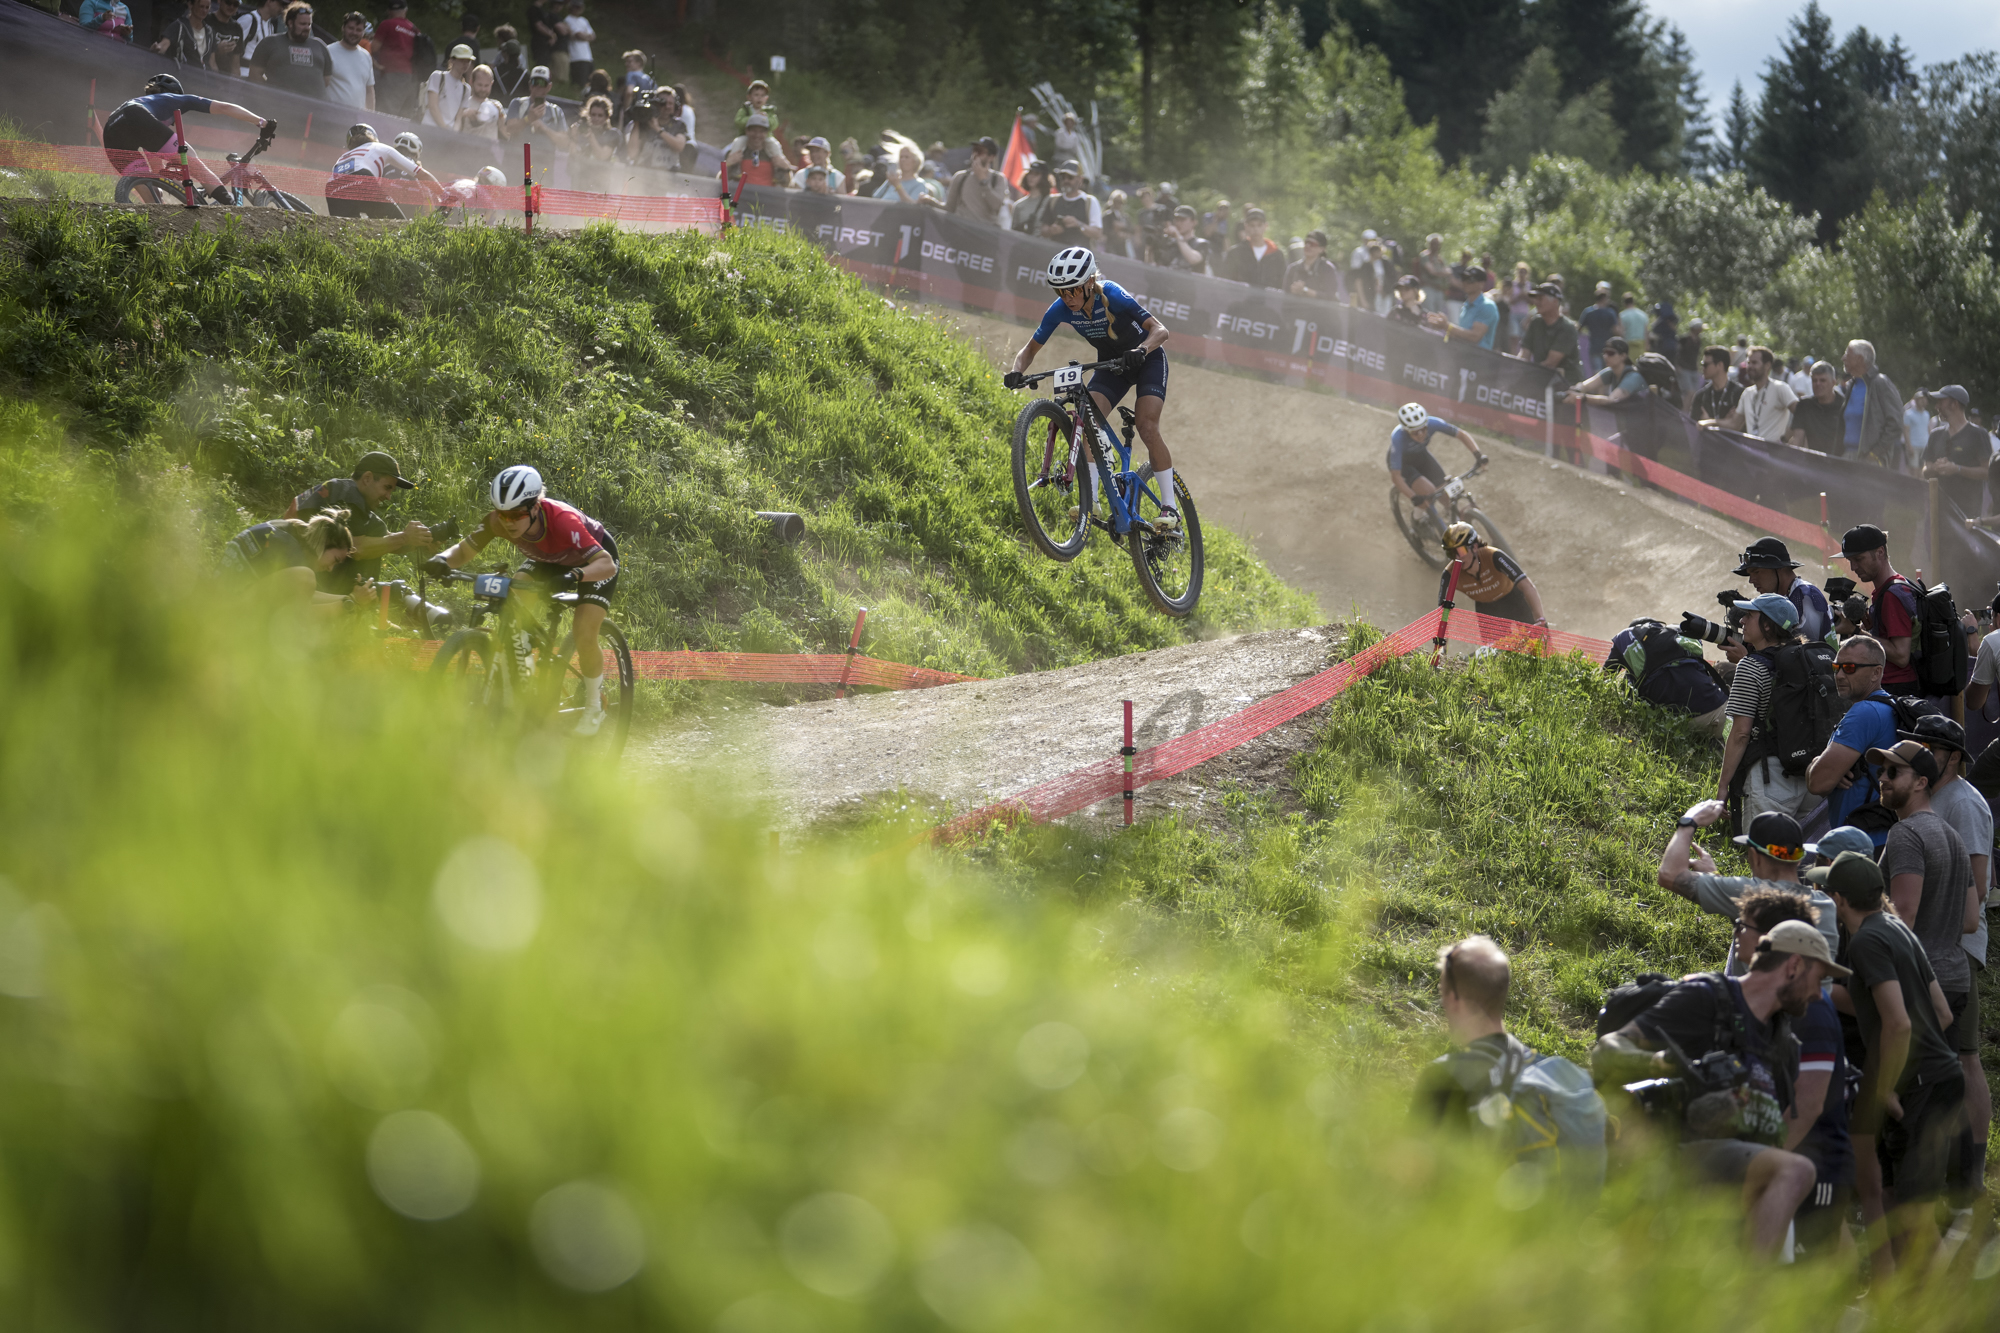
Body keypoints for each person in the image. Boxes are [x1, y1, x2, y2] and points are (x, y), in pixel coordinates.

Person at [1590, 924, 1828, 1260]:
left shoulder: (1784, 1044)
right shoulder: (1706, 998)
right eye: (1819, 979)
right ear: (1794, 966)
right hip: (1674, 1152)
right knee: (1796, 1170)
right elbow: (1608, 1049)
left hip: (1734, 1173)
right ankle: (1752, 1286)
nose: (1819, 993)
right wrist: (1656, 1062)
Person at [1807, 851, 1961, 1274]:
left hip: (1921, 1087)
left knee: (1915, 1217)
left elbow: (1898, 1024)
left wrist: (1886, 1087)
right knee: (1895, 1200)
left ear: (1839, 899)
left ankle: (1947, 1305)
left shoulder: (1866, 942)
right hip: (1939, 1078)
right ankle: (1905, 1299)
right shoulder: (1896, 928)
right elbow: (1942, 1013)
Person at [429, 466, 619, 736]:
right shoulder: (497, 522)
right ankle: (525, 667)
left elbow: (607, 565)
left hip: (592, 561)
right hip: (549, 559)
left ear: (535, 507)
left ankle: (593, 706)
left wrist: (575, 575)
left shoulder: (563, 521)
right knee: (513, 607)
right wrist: (441, 560)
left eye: (516, 514)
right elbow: (463, 550)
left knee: (584, 632)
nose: (507, 521)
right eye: (502, 513)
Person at [1003, 248, 1179, 534]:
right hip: (1112, 366)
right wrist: (1015, 371)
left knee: (1147, 426)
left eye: (1072, 290)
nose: (1067, 298)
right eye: (1060, 292)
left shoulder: (1112, 294)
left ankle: (1170, 507)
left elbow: (1160, 330)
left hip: (1147, 360)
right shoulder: (1060, 309)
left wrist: (1141, 350)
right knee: (1087, 421)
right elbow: (1029, 349)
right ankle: (1092, 501)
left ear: (1089, 283)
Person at [1898, 714, 1993, 1209]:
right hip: (1929, 941)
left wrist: (1929, 921)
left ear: (1953, 757)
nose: (1920, 754)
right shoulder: (1930, 796)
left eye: (1930, 748)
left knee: (1966, 1057)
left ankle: (1971, 1174)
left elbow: (1978, 891)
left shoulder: (1964, 803)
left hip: (1956, 948)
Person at [1655, 804, 1839, 968]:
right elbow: (1752, 918)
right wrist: (1714, 876)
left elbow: (1669, 875)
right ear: (1798, 859)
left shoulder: (1748, 893)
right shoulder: (1826, 905)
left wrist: (1688, 821)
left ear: (1755, 856)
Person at [1807, 635, 1939, 842]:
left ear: (1876, 672)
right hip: (1885, 835)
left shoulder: (1864, 712)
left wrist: (1816, 763)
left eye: (1849, 668)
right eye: (1836, 667)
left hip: (1862, 842)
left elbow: (1818, 783)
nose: (1839, 675)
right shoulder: (1888, 707)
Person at [1714, 593, 1828, 821]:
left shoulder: (1751, 666)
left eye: (1749, 615)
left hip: (1772, 778)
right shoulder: (1806, 659)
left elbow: (1741, 733)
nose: (1742, 620)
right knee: (1803, 845)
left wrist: (1723, 785)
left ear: (1767, 625)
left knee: (1762, 845)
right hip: (1813, 776)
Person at [100, 74, 274, 202]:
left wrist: (176, 187)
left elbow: (157, 172)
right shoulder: (176, 99)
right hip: (133, 115)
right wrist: (262, 122)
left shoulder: (146, 106)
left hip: (111, 129)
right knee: (189, 154)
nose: (171, 123)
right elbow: (225, 108)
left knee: (151, 194)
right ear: (175, 93)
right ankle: (229, 204)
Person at [284, 450, 431, 590]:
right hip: (294, 574)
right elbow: (356, 548)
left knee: (377, 529)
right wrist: (405, 538)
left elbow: (384, 540)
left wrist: (421, 539)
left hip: (296, 567)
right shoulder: (348, 495)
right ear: (367, 478)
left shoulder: (343, 491)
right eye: (387, 487)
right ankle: (357, 602)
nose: (388, 496)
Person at [224, 511, 375, 614]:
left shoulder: (287, 530)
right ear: (324, 543)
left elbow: (305, 594)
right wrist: (350, 604)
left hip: (225, 598)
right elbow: (298, 616)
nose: (330, 569)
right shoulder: (295, 560)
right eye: (335, 560)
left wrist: (349, 597)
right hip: (231, 611)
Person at [1839, 524, 1922, 697]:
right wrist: (1870, 628)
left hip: (1897, 688)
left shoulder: (1892, 595)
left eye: (1859, 559)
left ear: (1880, 552)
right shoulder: (1893, 586)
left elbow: (1901, 656)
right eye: (1850, 560)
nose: (1853, 567)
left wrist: (1855, 631)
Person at [1604, 619, 1728, 734]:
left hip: (1679, 724)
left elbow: (1603, 680)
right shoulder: (1683, 636)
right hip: (1719, 709)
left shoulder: (1625, 639)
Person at [1386, 404, 1486, 527]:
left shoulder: (1433, 423)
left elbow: (1461, 434)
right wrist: (1413, 497)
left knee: (1444, 493)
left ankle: (1452, 524)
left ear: (1426, 424)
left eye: (1423, 429)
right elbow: (1395, 476)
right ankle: (1417, 519)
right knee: (1427, 492)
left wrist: (1478, 455)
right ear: (1406, 430)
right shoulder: (1397, 438)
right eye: (1415, 432)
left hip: (1421, 456)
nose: (1420, 434)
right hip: (1404, 464)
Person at [1441, 523, 1546, 633]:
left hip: (1514, 599)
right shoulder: (1449, 574)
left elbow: (1527, 585)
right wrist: (1441, 641)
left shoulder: (1493, 556)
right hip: (1487, 611)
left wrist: (1540, 619)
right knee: (1497, 644)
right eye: (1451, 553)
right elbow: (1443, 614)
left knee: (1537, 638)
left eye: (1460, 551)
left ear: (1475, 547)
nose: (1457, 557)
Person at [1733, 537, 1833, 647]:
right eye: (1750, 574)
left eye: (1756, 572)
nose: (1751, 580)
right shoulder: (1784, 597)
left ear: (1779, 568)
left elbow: (1809, 650)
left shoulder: (1805, 596)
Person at [324, 124, 439, 219]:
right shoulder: (380, 147)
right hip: (363, 180)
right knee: (397, 226)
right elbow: (423, 176)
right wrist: (443, 194)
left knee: (348, 231)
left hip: (332, 188)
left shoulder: (343, 157)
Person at [1919, 385, 1993, 520]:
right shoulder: (1935, 435)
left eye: (1940, 402)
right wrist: (1935, 468)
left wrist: (1957, 469)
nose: (1936, 406)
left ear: (1954, 404)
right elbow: (1925, 472)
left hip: (1966, 515)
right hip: (1937, 511)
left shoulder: (1978, 434)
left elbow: (1987, 472)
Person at [248, 2, 331, 99]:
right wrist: (268, 96)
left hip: (313, 106)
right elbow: (254, 74)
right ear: (290, 23)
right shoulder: (270, 43)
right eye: (302, 24)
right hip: (279, 104)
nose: (307, 28)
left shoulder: (320, 46)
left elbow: (326, 80)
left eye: (309, 24)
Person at [1716, 348, 1799, 444]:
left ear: (1767, 365)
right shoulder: (1747, 393)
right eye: (1748, 363)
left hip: (1774, 450)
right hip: (1753, 450)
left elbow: (1800, 413)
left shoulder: (1779, 388)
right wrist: (1709, 422)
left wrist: (1786, 438)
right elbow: (1734, 424)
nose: (1750, 366)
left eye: (1754, 363)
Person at [1841, 340, 1904, 465]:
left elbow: (1896, 423)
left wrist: (1875, 454)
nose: (1843, 358)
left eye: (1847, 354)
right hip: (1847, 456)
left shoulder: (1880, 383)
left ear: (1859, 359)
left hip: (1870, 461)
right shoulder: (1851, 385)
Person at [1516, 282, 1579, 382]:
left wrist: (1527, 373)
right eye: (1535, 298)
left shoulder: (1567, 328)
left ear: (1555, 301)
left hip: (1566, 384)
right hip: (1541, 378)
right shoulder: (1536, 322)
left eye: (1540, 298)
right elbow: (1524, 354)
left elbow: (1550, 364)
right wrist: (1516, 367)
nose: (1536, 302)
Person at [1785, 362, 1847, 454]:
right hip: (1813, 459)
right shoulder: (1804, 405)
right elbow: (1798, 438)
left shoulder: (1844, 405)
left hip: (1839, 459)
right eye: (1814, 380)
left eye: (1822, 380)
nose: (1818, 384)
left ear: (1833, 382)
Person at [1428, 265, 1496, 349]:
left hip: (1479, 356)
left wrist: (1447, 326)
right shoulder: (1466, 305)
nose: (1465, 282)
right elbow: (1462, 334)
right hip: (1464, 353)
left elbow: (1474, 337)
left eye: (1470, 280)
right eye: (1464, 278)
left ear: (1481, 284)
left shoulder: (1487, 306)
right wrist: (1440, 325)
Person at [724, 114, 793, 194]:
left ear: (767, 133)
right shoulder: (736, 154)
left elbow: (788, 185)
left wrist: (786, 168)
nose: (757, 135)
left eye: (761, 131)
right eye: (754, 131)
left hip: (768, 199)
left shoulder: (774, 155)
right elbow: (720, 180)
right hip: (741, 198)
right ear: (747, 131)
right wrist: (728, 164)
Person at [1566, 336, 1644, 406]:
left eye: (1610, 353)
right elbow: (1585, 386)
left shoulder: (1633, 377)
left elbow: (1612, 400)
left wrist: (1583, 398)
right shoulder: (1611, 371)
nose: (1605, 356)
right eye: (1604, 352)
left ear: (1623, 356)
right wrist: (1576, 390)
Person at [371, 0, 417, 117]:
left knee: (386, 110)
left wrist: (376, 65)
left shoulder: (387, 24)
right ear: (405, 10)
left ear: (389, 11)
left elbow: (374, 48)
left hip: (391, 74)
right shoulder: (414, 29)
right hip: (411, 76)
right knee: (403, 113)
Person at [151, 0, 226, 71]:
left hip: (203, 77)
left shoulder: (210, 32)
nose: (204, 11)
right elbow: (164, 44)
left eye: (207, 7)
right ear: (190, 5)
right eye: (201, 6)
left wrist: (216, 78)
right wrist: (158, 48)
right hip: (183, 74)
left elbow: (212, 63)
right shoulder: (179, 26)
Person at [943, 136, 1004, 225]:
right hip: (961, 229)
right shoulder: (960, 176)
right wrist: (930, 202)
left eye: (980, 151)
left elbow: (996, 206)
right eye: (974, 150)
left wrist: (983, 180)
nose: (975, 154)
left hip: (985, 231)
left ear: (991, 157)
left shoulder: (998, 178)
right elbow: (949, 208)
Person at [1038, 161, 1103, 243]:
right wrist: (1051, 230)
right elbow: (1042, 229)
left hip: (1080, 250)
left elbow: (1097, 233)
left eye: (1070, 177)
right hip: (1055, 249)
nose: (1066, 181)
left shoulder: (1090, 201)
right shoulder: (1053, 200)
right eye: (1062, 177)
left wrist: (1078, 224)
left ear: (1080, 179)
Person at [322, 11, 374, 110]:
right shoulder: (328, 51)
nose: (354, 33)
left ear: (363, 32)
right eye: (351, 28)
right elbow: (320, 86)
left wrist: (371, 116)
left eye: (358, 30)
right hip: (331, 114)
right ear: (343, 28)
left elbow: (369, 91)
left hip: (357, 117)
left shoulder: (366, 56)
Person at [502, 66, 568, 141]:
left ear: (549, 87)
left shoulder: (556, 111)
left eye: (542, 83)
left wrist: (544, 129)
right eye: (535, 82)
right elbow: (509, 129)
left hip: (545, 149)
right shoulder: (518, 103)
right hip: (522, 148)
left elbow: (564, 142)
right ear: (530, 85)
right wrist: (528, 119)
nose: (538, 86)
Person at [423, 43, 475, 130]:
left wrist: (453, 133)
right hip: (429, 128)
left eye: (468, 61)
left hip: (448, 133)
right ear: (452, 60)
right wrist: (444, 129)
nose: (465, 64)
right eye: (462, 60)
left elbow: (458, 118)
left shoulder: (466, 89)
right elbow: (433, 107)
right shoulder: (437, 76)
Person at [1689, 344, 1743, 424]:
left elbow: (1739, 426)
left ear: (1720, 365)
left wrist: (1708, 421)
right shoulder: (1701, 396)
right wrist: (1725, 422)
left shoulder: (1739, 394)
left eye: (1705, 365)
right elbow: (1692, 426)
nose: (1702, 368)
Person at [1576, 283, 1619, 376]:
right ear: (1604, 298)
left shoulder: (1588, 312)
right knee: (1608, 370)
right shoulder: (1610, 312)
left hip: (1594, 346)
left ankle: (1598, 385)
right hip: (1608, 346)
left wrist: (1585, 336)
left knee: (1597, 371)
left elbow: (1579, 328)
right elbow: (1616, 330)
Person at [1285, 230, 1339, 300]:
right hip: (1296, 306)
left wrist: (1305, 290)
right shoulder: (1293, 268)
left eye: (1312, 244)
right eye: (1306, 242)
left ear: (1321, 249)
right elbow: (1285, 295)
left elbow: (1330, 296)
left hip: (1318, 307)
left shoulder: (1327, 269)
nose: (1308, 246)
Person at [454, 64, 503, 140]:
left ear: (491, 84)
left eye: (486, 85)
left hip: (491, 147)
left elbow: (505, 133)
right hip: (469, 146)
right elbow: (452, 129)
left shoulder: (496, 105)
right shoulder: (463, 105)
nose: (483, 89)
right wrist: (463, 114)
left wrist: (500, 115)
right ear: (471, 82)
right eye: (480, 85)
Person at [1008, 161, 1054, 236]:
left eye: (1036, 174)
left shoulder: (1051, 201)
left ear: (1044, 177)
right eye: (1030, 173)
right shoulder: (1019, 205)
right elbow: (1014, 232)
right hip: (1024, 242)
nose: (1031, 177)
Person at [557, 0, 594, 89]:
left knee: (590, 80)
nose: (578, 9)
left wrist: (584, 36)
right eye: (576, 7)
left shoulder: (584, 20)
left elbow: (593, 36)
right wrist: (586, 36)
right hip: (576, 56)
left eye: (580, 7)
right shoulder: (568, 19)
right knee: (580, 82)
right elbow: (578, 35)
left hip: (588, 56)